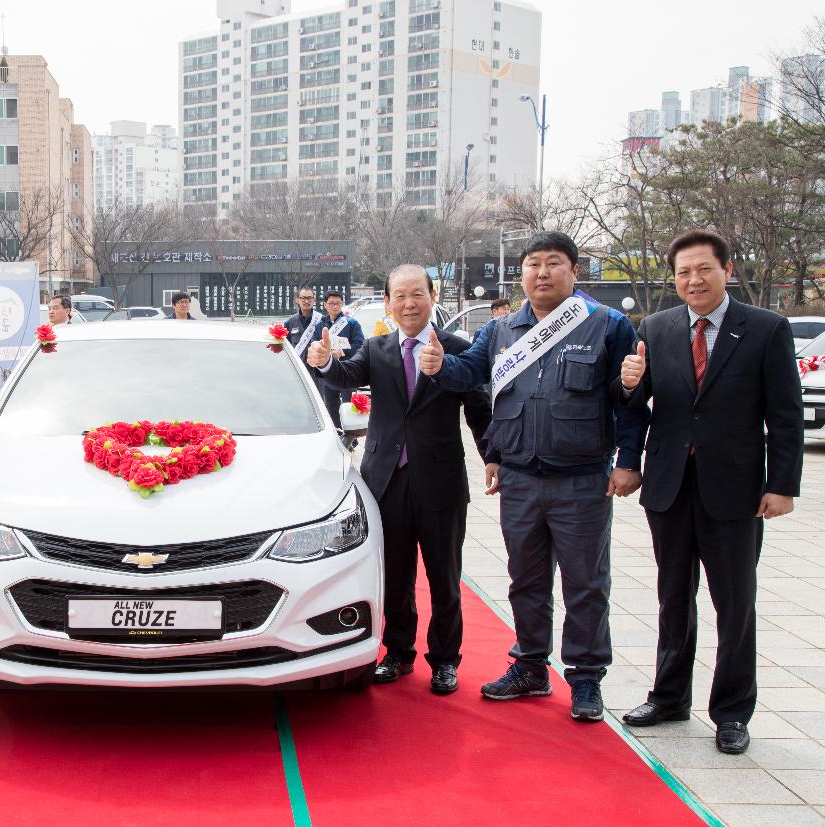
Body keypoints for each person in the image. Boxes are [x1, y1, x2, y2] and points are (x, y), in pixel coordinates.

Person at [419, 230, 648, 723]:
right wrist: (439, 367)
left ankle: (586, 678)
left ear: (574, 271)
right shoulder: (501, 330)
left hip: (582, 479)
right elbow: (470, 374)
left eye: (553, 263)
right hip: (520, 478)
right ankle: (529, 666)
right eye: (533, 265)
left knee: (586, 584)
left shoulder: (606, 325)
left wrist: (629, 459)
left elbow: (629, 399)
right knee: (526, 580)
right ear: (521, 273)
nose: (541, 273)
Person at [617, 230, 803, 755]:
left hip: (736, 489)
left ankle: (731, 712)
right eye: (682, 272)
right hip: (670, 485)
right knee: (673, 597)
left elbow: (785, 416)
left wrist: (782, 485)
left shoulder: (766, 329)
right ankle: (670, 696)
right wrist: (629, 383)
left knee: (734, 602)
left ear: (727, 270)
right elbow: (631, 407)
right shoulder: (656, 327)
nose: (692, 280)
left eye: (703, 269)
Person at [310, 265, 491, 693]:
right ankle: (398, 652)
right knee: (395, 574)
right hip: (386, 481)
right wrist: (323, 364)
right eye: (400, 296)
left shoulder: (458, 347)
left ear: (432, 297)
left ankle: (445, 660)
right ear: (388, 304)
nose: (409, 303)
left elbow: (478, 407)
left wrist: (493, 456)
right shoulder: (376, 349)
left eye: (418, 294)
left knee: (445, 576)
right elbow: (345, 375)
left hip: (441, 481)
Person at [311, 291, 365, 433]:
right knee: (330, 406)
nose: (334, 306)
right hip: (328, 371)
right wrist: (326, 353)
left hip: (347, 369)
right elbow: (315, 344)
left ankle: (352, 438)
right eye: (331, 303)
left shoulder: (351, 323)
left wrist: (342, 352)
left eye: (338, 303)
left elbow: (359, 344)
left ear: (342, 304)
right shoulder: (319, 325)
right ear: (325, 305)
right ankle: (337, 435)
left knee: (349, 405)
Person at [283, 287, 320, 362]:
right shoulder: (289, 322)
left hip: (317, 368)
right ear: (297, 300)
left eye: (309, 298)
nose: (306, 301)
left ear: (314, 300)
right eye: (303, 298)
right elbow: (286, 345)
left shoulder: (322, 320)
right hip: (297, 367)